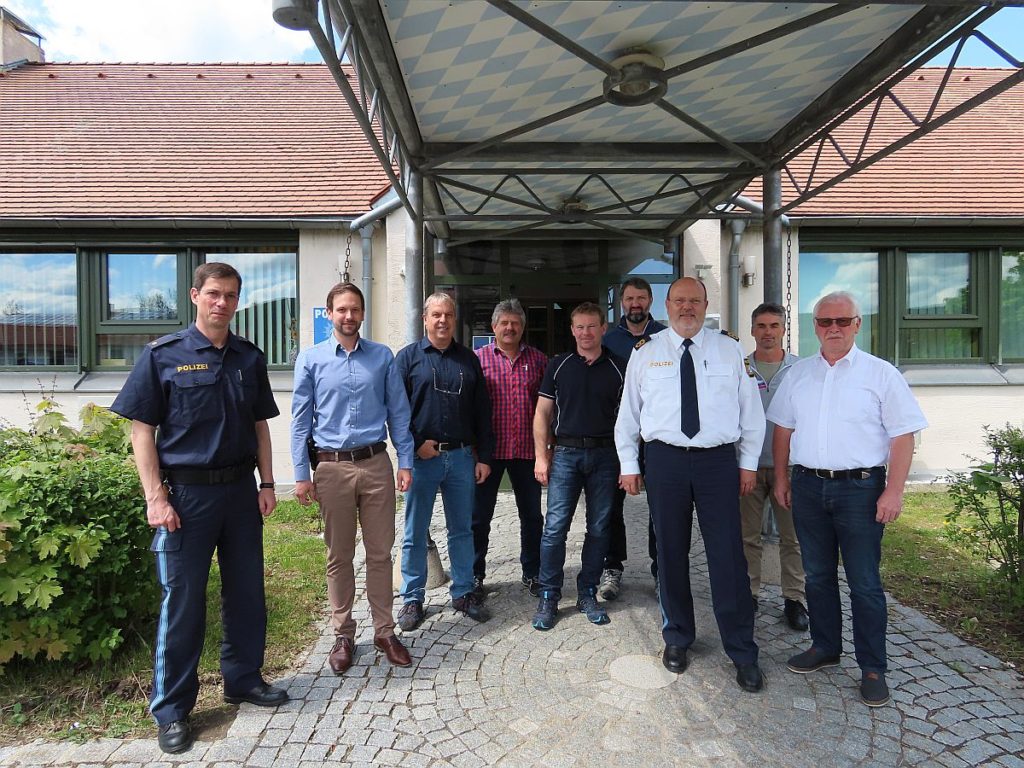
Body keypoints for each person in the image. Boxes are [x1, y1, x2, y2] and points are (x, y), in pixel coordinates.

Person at [111, 262, 287, 755]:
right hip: (185, 498)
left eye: (231, 295)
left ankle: (243, 679)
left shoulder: (248, 358)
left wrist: (267, 482)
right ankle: (171, 710)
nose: (222, 303)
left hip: (239, 493)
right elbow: (141, 431)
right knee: (183, 602)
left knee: (247, 593)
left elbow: (259, 428)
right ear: (195, 295)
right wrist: (155, 498)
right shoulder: (163, 356)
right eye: (213, 294)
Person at [768, 291, 927, 707]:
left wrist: (894, 490)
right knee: (817, 576)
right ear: (815, 326)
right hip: (807, 487)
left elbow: (903, 435)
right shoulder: (799, 375)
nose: (833, 329)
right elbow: (782, 431)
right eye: (825, 322)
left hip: (861, 490)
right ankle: (825, 647)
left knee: (865, 583)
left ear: (858, 324)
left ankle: (873, 667)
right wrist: (781, 479)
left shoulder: (881, 374)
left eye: (842, 321)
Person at [615, 276, 765, 693]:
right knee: (670, 552)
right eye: (679, 301)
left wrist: (748, 464)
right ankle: (677, 637)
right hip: (665, 461)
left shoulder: (730, 350)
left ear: (705, 303)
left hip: (718, 462)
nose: (687, 308)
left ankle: (742, 649)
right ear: (667, 305)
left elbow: (750, 413)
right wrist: (630, 463)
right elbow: (628, 414)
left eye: (694, 301)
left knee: (727, 556)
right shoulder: (646, 353)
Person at [290, 282, 415, 675]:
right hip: (330, 469)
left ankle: (384, 630)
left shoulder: (382, 357)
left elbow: (399, 412)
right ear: (330, 314)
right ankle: (343, 633)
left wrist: (406, 461)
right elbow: (299, 421)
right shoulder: (310, 360)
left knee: (380, 553)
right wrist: (300, 475)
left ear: (363, 314)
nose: (348, 316)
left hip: (376, 463)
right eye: (341, 309)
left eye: (354, 310)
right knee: (339, 556)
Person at [395, 292, 495, 630]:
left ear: (454, 320)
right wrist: (414, 446)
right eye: (436, 314)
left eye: (448, 315)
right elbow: (395, 411)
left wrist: (484, 456)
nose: (442, 320)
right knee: (414, 531)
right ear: (425, 318)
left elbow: (482, 410)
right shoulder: (407, 359)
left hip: (463, 457)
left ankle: (464, 591)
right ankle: (411, 598)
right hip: (423, 459)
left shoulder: (469, 360)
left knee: (462, 529)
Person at [531, 302, 626, 631]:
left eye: (592, 326)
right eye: (580, 327)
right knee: (555, 528)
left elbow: (629, 420)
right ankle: (549, 594)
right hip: (566, 455)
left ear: (603, 328)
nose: (586, 333)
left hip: (605, 456)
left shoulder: (619, 367)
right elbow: (542, 413)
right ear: (572, 330)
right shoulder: (559, 365)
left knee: (599, 529)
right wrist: (541, 457)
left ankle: (587, 592)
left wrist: (628, 463)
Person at [472, 298, 548, 598]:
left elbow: (547, 409)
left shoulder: (539, 361)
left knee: (532, 517)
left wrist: (548, 449)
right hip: (489, 453)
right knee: (479, 518)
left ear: (522, 328)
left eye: (515, 323)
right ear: (494, 327)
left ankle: (532, 573)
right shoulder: (477, 360)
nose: (509, 327)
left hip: (527, 453)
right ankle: (475, 576)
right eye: (504, 322)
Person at [740, 302, 808, 631]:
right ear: (752, 330)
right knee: (747, 537)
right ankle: (748, 594)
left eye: (774, 326)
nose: (768, 332)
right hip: (748, 468)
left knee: (792, 538)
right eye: (762, 326)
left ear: (784, 330)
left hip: (789, 469)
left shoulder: (800, 370)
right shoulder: (740, 368)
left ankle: (794, 599)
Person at [598, 277, 666, 601]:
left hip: (657, 437)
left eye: (641, 298)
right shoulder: (609, 339)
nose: (635, 303)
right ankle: (613, 567)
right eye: (629, 298)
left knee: (662, 507)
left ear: (650, 300)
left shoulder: (666, 337)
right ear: (621, 302)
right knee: (612, 507)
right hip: (618, 435)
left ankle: (661, 570)